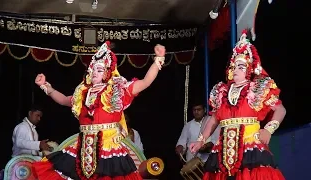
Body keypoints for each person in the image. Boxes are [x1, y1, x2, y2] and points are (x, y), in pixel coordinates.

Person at [32, 41, 166, 180]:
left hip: (108, 147)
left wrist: (158, 60)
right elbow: (64, 100)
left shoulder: (117, 91)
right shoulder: (83, 93)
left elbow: (145, 82)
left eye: (100, 70)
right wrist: (46, 87)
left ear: (108, 72)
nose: (95, 72)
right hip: (83, 146)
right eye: (93, 69)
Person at [189, 30, 286, 180]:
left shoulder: (258, 88)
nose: (235, 69)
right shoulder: (221, 91)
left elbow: (280, 109)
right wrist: (201, 139)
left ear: (248, 70)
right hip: (223, 148)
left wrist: (268, 129)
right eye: (234, 66)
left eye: (241, 66)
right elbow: (214, 119)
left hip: (250, 146)